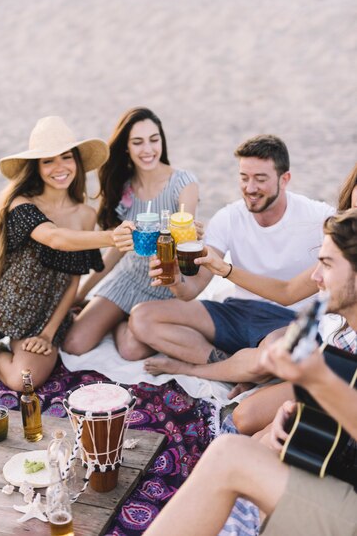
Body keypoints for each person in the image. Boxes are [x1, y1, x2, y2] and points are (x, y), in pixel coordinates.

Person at [144, 209, 357, 536]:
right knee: (255, 438)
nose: (314, 278)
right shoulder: (342, 336)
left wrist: (318, 379)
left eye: (327, 265)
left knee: (231, 454)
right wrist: (304, 416)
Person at [0, 116, 134, 391]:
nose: (59, 167)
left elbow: (73, 280)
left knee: (24, 380)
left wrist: (48, 332)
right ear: (37, 168)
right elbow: (54, 238)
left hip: (44, 315)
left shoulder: (85, 215)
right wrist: (113, 237)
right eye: (48, 161)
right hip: (1, 306)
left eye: (66, 157)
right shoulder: (20, 203)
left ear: (77, 162)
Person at [123, 134, 334, 376]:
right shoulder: (228, 217)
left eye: (260, 179)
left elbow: (289, 292)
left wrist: (227, 270)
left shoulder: (319, 217)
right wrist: (174, 280)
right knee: (142, 317)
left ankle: (195, 368)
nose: (250, 188)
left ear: (284, 179)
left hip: (289, 320)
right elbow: (192, 289)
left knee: (276, 352)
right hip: (237, 311)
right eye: (244, 178)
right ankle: (232, 367)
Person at [62, 107, 199, 357]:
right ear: (126, 147)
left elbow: (183, 241)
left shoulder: (183, 184)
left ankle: (122, 320)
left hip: (164, 283)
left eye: (154, 140)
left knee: (131, 350)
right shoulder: (124, 187)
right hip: (128, 277)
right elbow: (117, 249)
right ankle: (114, 312)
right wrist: (81, 294)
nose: (148, 149)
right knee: (74, 344)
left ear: (162, 141)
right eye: (138, 142)